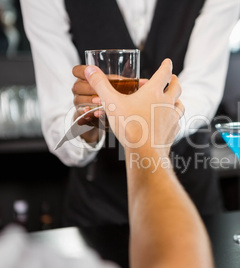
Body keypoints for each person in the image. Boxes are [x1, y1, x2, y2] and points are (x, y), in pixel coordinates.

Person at [20, 0, 240, 226]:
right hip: (99, 209)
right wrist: (88, 123)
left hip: (189, 199)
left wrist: (148, 125)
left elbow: (202, 87)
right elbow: (60, 122)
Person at [0, 60, 214, 268]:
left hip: (198, 194)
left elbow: (204, 90)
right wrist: (145, 137)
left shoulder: (20, 253)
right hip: (93, 213)